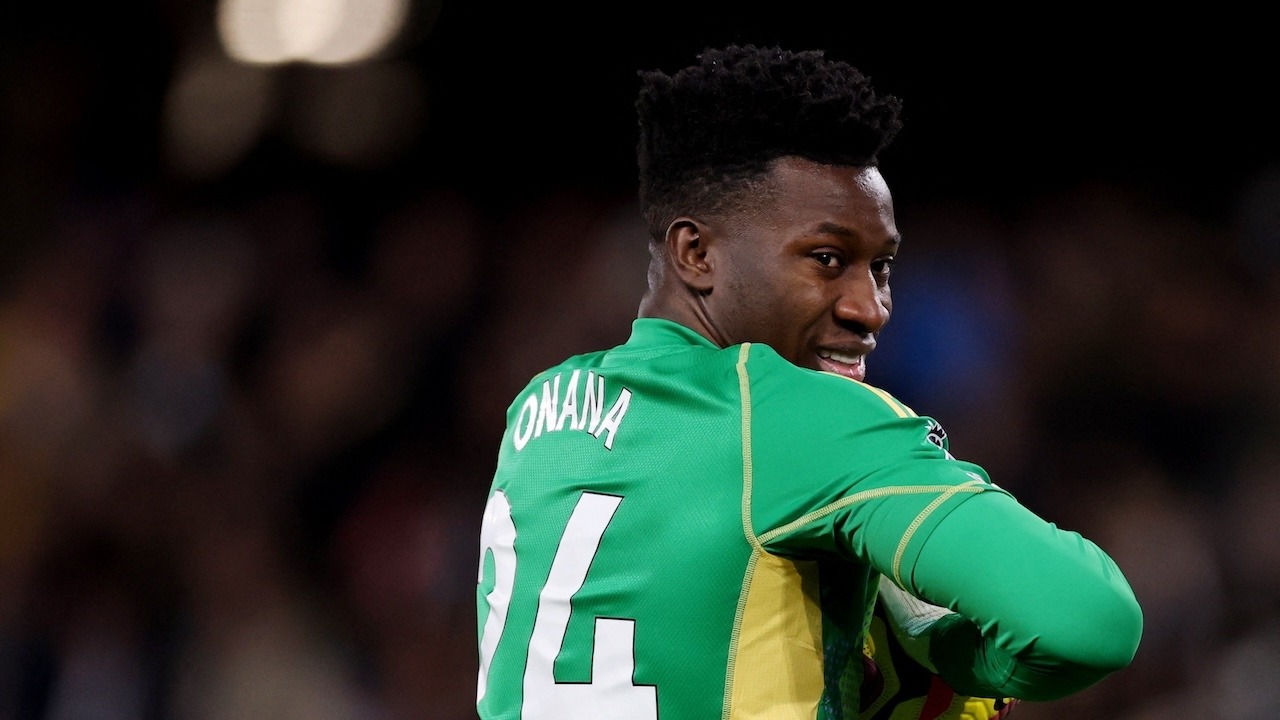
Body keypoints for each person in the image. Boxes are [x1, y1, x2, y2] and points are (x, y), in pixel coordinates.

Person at [475, 43, 1142, 720]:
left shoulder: (538, 415)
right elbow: (1091, 622)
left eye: (881, 268)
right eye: (827, 259)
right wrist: (941, 648)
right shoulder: (800, 416)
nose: (870, 308)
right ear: (696, 253)